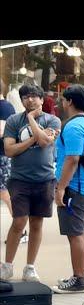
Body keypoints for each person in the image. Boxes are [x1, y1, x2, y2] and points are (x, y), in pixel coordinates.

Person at [0, 84, 61, 282]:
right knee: (19, 222)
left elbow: (45, 142)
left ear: (42, 100)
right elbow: (9, 150)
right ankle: (7, 265)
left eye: (35, 96)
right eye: (25, 97)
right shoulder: (12, 121)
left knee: (37, 223)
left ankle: (30, 266)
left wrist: (32, 120)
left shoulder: (53, 119)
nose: (30, 100)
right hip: (19, 180)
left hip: (44, 179)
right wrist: (31, 131)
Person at [51, 85, 84, 294]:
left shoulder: (74, 127)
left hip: (74, 188)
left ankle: (78, 278)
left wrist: (61, 188)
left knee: (74, 234)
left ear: (69, 101)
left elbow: (72, 159)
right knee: (80, 233)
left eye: (63, 99)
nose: (61, 102)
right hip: (82, 187)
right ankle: (83, 275)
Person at [1, 79, 17, 218]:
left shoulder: (4, 107)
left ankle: (20, 227)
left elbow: (2, 131)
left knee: (4, 191)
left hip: (2, 156)